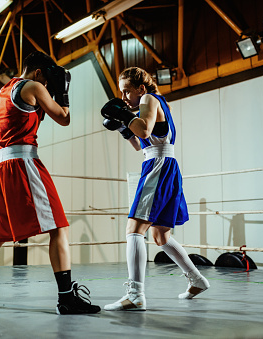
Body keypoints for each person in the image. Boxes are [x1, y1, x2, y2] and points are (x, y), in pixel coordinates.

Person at [0, 51, 100, 315]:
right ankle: (66, 298)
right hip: (24, 163)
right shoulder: (34, 86)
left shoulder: (5, 90)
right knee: (58, 227)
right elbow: (64, 117)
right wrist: (63, 92)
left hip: (2, 166)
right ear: (37, 73)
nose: (46, 85)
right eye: (46, 80)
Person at [101, 67, 210, 311]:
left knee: (134, 228)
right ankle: (197, 280)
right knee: (160, 234)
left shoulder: (149, 99)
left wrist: (125, 116)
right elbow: (140, 144)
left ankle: (135, 295)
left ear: (141, 88)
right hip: (164, 164)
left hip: (158, 166)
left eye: (127, 91)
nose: (124, 98)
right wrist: (122, 128)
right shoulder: (156, 104)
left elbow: (145, 131)